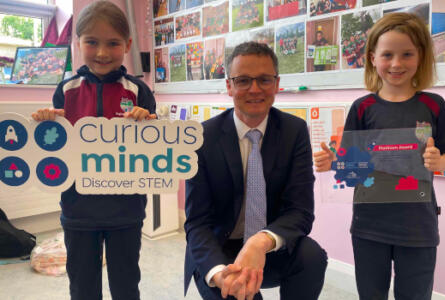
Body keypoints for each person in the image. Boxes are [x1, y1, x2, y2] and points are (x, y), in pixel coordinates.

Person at [313, 13, 445, 300]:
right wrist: (334, 164)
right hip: (369, 226)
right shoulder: (362, 108)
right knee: (371, 294)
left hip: (418, 227)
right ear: (373, 57)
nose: (397, 63)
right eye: (388, 54)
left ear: (421, 56)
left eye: (407, 54)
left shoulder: (434, 105)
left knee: (415, 295)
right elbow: (353, 170)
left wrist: (441, 161)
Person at [31, 1, 157, 299]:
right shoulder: (67, 89)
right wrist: (46, 123)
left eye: (113, 43)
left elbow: (155, 145)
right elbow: (57, 146)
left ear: (127, 45)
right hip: (78, 210)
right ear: (78, 43)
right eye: (92, 42)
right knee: (83, 285)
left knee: (126, 284)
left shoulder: (139, 91)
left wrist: (147, 121)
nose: (102, 52)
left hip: (126, 210)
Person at [184, 41, 327, 300]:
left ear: (276, 83)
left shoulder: (294, 132)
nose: (254, 89)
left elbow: (301, 211)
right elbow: (197, 223)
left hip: (268, 244)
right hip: (220, 252)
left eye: (264, 80)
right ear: (229, 85)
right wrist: (219, 272)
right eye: (243, 81)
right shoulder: (202, 137)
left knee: (311, 255)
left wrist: (260, 241)